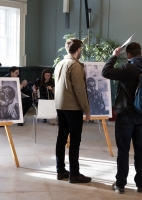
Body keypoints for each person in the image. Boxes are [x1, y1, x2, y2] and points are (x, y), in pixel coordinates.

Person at [102, 42, 142, 194]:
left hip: (127, 115)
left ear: (128, 55)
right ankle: (141, 184)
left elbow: (105, 72)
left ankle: (120, 185)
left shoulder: (128, 68)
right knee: (140, 151)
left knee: (123, 151)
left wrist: (114, 56)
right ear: (141, 52)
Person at [54, 38, 91, 183]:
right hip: (73, 108)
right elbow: (79, 90)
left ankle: (60, 170)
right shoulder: (75, 66)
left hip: (60, 106)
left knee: (61, 138)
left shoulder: (60, 63)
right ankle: (74, 174)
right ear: (79, 49)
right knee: (75, 140)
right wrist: (86, 109)